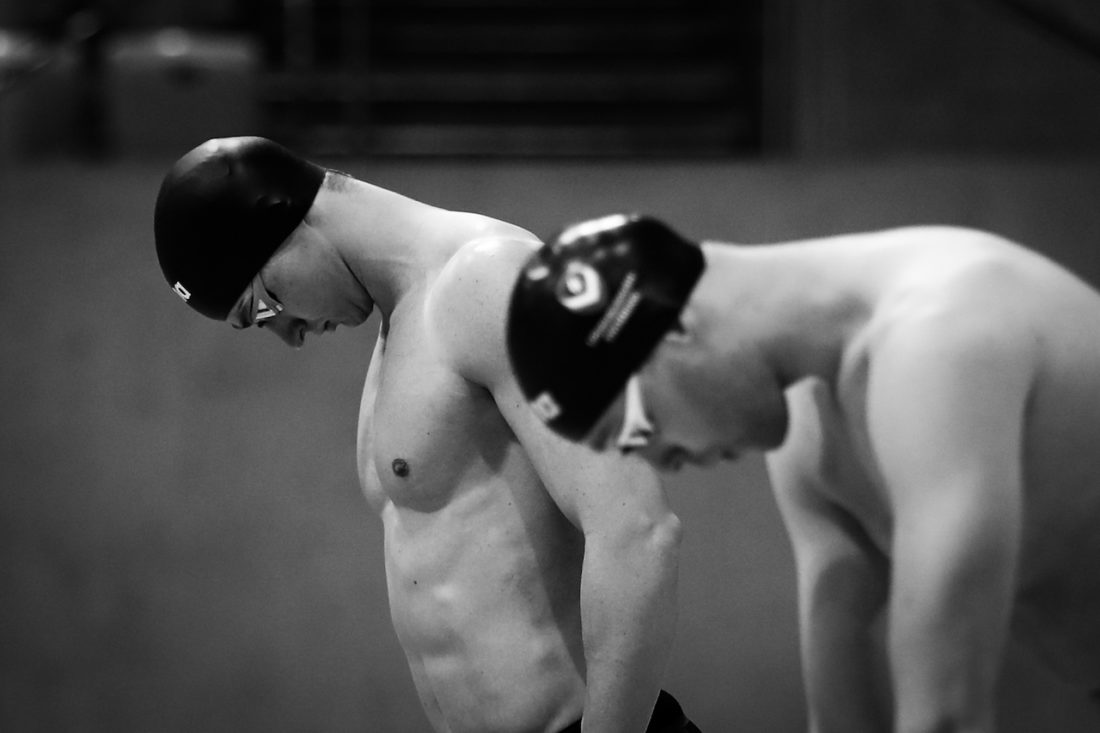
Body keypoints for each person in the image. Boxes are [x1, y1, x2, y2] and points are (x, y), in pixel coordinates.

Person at [153, 138, 702, 733]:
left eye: (261, 307)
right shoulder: (400, 326)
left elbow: (637, 532)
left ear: (285, 223)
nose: (286, 334)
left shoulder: (492, 279)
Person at [506, 213, 1100, 733]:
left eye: (637, 430)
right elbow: (843, 720)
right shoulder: (811, 433)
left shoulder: (942, 338)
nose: (665, 464)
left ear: (675, 329)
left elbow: (945, 716)